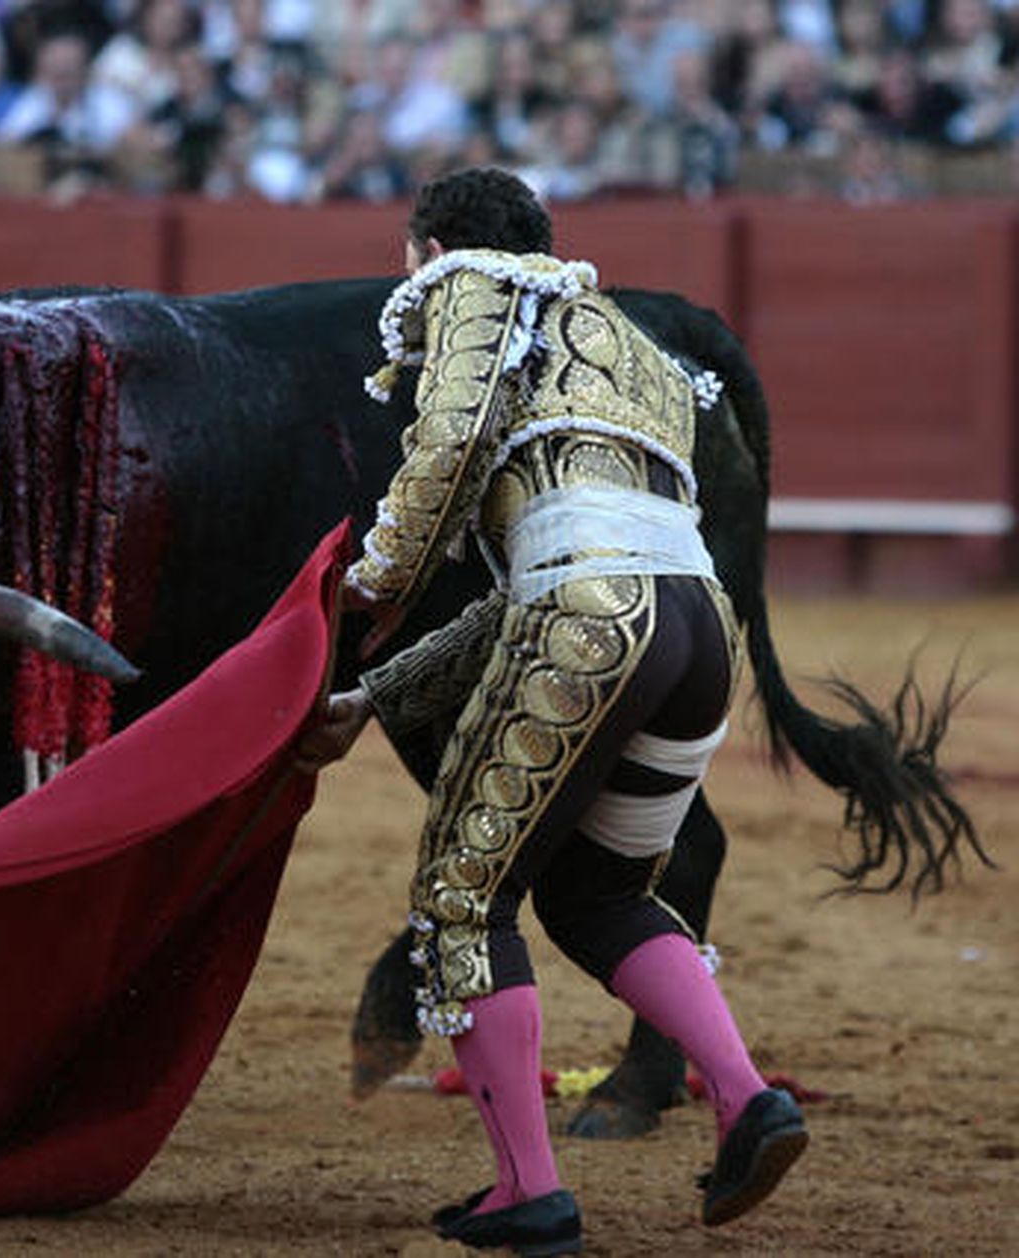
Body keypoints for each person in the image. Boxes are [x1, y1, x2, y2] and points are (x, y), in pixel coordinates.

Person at [298, 166, 808, 1253]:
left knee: (459, 897)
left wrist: (370, 583)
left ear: (428, 249)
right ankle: (744, 1096)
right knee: (597, 893)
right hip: (693, 628)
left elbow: (448, 457)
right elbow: (528, 583)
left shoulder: (467, 285)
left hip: (589, 618)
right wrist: (378, 696)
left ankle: (527, 1189)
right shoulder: (630, 346)